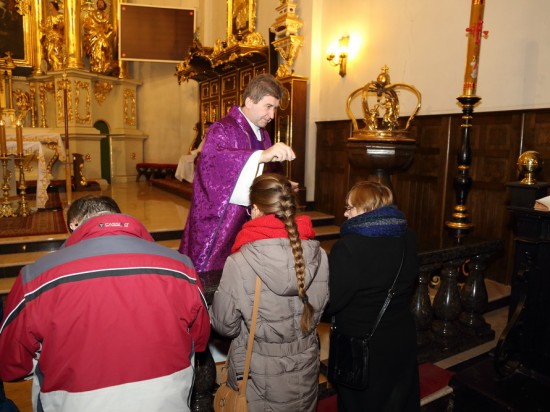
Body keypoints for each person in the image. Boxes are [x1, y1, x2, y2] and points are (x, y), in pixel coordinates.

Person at [0, 195, 210, 412]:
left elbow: (12, 365)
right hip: (165, 401)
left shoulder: (35, 277)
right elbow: (200, 340)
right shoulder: (181, 267)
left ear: (74, 224)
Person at [210, 173, 329, 411]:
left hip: (259, 373)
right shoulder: (320, 255)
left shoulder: (240, 261)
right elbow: (320, 307)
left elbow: (225, 326)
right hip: (306, 367)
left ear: (255, 209)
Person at [179, 73, 296, 283]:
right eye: (268, 106)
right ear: (249, 101)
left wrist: (281, 185)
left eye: (275, 108)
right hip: (220, 218)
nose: (272, 114)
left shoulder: (263, 134)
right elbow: (212, 166)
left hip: (251, 217)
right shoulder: (222, 129)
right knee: (210, 276)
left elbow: (266, 172)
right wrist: (260, 156)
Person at [326, 181, 420, 412]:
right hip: (401, 337)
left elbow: (332, 302)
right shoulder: (408, 237)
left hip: (363, 345)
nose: (345, 213)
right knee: (397, 401)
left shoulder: (349, 246)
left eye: (349, 208)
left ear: (366, 209)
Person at [82, 0, 115, 74]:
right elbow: (87, 25)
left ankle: (104, 66)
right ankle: (96, 67)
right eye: (98, 3)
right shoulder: (92, 14)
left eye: (101, 2)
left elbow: (107, 27)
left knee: (105, 48)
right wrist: (95, 31)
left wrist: (109, 29)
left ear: (105, 4)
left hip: (102, 36)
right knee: (96, 51)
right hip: (94, 35)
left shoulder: (106, 16)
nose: (100, 4)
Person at [40, 1, 64, 71]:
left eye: (50, 5)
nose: (49, 6)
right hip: (49, 39)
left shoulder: (60, 16)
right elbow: (46, 29)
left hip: (57, 38)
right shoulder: (49, 18)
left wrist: (58, 26)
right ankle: (53, 67)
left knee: (56, 53)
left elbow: (63, 26)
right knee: (49, 54)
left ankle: (58, 67)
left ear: (54, 6)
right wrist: (43, 28)